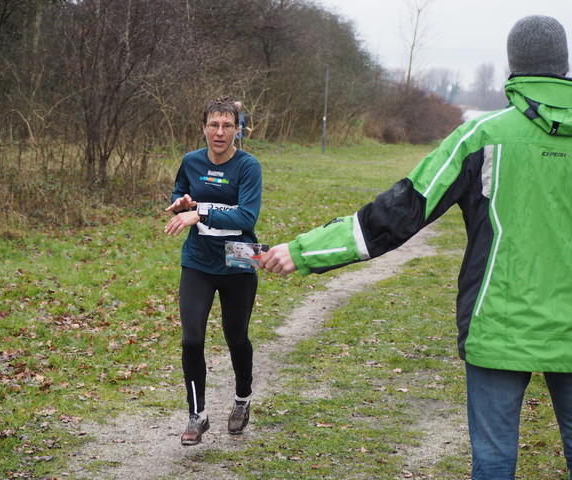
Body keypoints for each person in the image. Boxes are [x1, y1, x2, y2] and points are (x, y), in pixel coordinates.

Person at [259, 15, 572, 480]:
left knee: (493, 463)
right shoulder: (481, 137)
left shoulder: (481, 136)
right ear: (564, 65)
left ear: (513, 66)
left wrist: (305, 250)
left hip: (498, 329)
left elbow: (402, 210)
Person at [164, 97, 263, 446]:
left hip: (239, 257)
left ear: (238, 129)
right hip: (198, 261)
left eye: (226, 126)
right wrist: (182, 204)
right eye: (213, 125)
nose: (219, 132)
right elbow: (181, 192)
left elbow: (246, 218)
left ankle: (242, 399)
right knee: (192, 338)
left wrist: (201, 214)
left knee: (236, 337)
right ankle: (197, 415)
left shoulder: (249, 166)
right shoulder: (191, 161)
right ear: (204, 127)